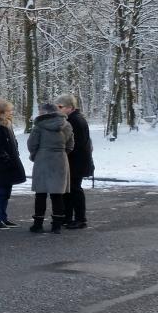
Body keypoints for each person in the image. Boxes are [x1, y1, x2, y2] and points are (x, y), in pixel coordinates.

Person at [28, 102, 75, 234]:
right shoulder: (66, 125)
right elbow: (71, 144)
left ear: (46, 112)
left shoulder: (39, 126)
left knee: (41, 194)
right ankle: (57, 226)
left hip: (43, 160)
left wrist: (35, 154)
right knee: (57, 194)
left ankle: (38, 224)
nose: (39, 113)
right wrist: (62, 152)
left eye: (41, 111)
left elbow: (32, 144)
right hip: (60, 160)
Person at [0, 100, 26, 229]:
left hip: (8, 162)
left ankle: (3, 217)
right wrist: (6, 158)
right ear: (0, 112)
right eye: (8, 111)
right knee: (0, 191)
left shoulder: (6, 124)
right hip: (1, 165)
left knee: (6, 191)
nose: (11, 113)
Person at [56, 93, 94, 229]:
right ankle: (67, 217)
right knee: (68, 190)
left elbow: (76, 144)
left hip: (76, 162)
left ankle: (80, 219)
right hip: (75, 161)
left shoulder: (75, 121)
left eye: (61, 106)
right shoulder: (74, 119)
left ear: (70, 107)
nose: (58, 109)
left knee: (75, 190)